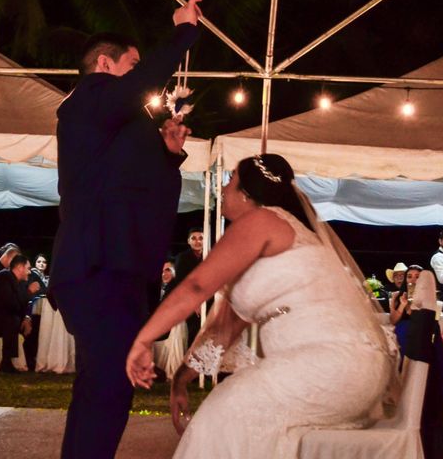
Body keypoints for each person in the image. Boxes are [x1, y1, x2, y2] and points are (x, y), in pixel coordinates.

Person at [126, 154, 396, 459]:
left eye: (230, 180)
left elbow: (197, 286)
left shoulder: (264, 220)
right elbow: (223, 331)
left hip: (331, 367)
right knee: (234, 414)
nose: (224, 188)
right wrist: (180, 382)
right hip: (353, 373)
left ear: (246, 194)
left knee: (227, 410)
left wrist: (143, 340)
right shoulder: (278, 238)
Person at [49, 0, 202, 459]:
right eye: (131, 65)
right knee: (107, 387)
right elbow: (143, 80)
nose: (139, 76)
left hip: (117, 267)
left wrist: (170, 154)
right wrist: (182, 33)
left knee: (106, 387)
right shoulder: (87, 101)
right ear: (103, 64)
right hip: (98, 267)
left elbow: (133, 184)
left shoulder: (111, 123)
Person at [0, 254, 33, 373]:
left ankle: (30, 359)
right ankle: (6, 362)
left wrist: (26, 318)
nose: (30, 272)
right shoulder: (4, 277)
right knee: (12, 320)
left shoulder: (15, 281)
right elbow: (11, 304)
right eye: (28, 268)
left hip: (2, 317)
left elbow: (18, 305)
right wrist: (29, 292)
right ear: (20, 267)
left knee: (28, 320)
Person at [174, 227, 206, 344]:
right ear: (188, 241)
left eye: (201, 238)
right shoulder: (182, 258)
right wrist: (195, 304)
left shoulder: (210, 255)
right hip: (189, 303)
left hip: (208, 300)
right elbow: (181, 283)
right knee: (193, 335)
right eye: (194, 238)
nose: (197, 241)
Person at [24, 253, 49, 370]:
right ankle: (30, 357)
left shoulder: (47, 278)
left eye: (44, 262)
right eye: (39, 261)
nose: (41, 264)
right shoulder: (32, 274)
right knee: (34, 331)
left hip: (45, 308)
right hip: (33, 308)